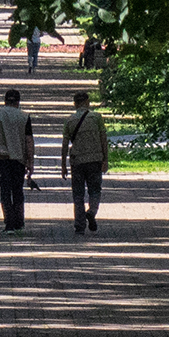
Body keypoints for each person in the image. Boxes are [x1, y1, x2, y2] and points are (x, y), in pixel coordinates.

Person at [0, 89, 35, 232]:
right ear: (18, 102)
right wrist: (30, 162)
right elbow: (29, 141)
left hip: (1, 157)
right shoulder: (24, 116)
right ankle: (19, 222)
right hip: (19, 158)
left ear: (5, 101)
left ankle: (8, 223)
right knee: (17, 189)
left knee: (5, 189)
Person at [61, 89, 110, 233]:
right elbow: (103, 140)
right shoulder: (97, 118)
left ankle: (79, 225)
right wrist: (105, 159)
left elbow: (65, 144)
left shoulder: (69, 120)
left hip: (77, 161)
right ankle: (92, 211)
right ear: (88, 103)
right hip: (95, 160)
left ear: (75, 104)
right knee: (95, 190)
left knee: (78, 194)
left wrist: (63, 165)